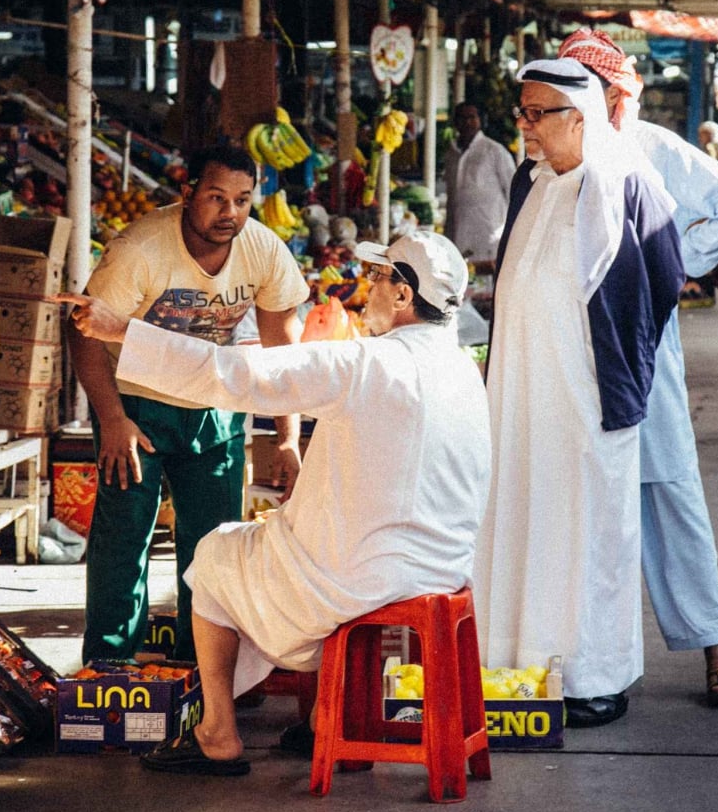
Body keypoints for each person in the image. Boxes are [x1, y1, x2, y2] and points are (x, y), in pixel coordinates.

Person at [56, 230, 490, 775]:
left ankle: (217, 732)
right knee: (288, 543)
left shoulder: (367, 362)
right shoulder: (463, 370)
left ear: (404, 295)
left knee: (215, 554)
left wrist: (124, 331)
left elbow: (238, 376)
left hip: (365, 580)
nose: (368, 288)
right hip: (444, 569)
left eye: (378, 278)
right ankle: (326, 719)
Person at [559, 28, 718, 709]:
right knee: (577, 506)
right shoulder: (547, 162)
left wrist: (673, 262)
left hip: (643, 349)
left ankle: (716, 645)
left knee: (672, 491)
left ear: (615, 98)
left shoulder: (652, 148)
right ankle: (581, 659)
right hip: (567, 355)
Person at [475, 58, 684, 728]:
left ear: (582, 116)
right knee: (520, 520)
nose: (526, 125)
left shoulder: (625, 184)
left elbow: (665, 278)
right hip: (519, 394)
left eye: (539, 113)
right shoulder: (527, 181)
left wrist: (619, 364)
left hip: (588, 397)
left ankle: (594, 677)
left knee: (589, 533)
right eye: (523, 111)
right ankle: (515, 663)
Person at [67, 146, 310, 666]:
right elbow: (84, 333)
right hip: (136, 405)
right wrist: (112, 419)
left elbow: (282, 352)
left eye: (242, 200)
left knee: (213, 548)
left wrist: (288, 438)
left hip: (215, 408)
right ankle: (108, 665)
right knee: (124, 537)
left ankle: (203, 671)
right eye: (216, 198)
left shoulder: (264, 251)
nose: (230, 213)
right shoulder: (140, 248)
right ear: (187, 193)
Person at [442, 102, 516, 265]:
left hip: (489, 233)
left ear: (480, 120)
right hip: (457, 232)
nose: (467, 122)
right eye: (461, 118)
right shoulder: (451, 153)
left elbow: (514, 192)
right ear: (455, 122)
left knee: (488, 277)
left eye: (471, 117)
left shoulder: (495, 151)